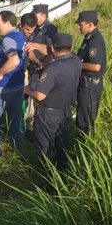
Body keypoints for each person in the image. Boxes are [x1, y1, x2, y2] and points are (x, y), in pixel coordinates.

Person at [24, 33, 82, 170]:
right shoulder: (76, 61)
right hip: (65, 112)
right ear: (71, 46)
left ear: (52, 47)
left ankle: (48, 181)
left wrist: (26, 90)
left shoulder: (53, 68)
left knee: (45, 149)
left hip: (48, 115)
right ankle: (62, 176)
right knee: (61, 146)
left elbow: (39, 95)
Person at [0, 11, 26, 154]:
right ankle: (18, 148)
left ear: (8, 23)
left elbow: (14, 60)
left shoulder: (7, 40)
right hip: (18, 85)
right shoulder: (20, 36)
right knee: (15, 120)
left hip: (2, 87)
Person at [23, 5, 58, 133]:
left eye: (36, 14)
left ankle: (37, 125)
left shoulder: (50, 29)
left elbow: (52, 50)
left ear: (43, 15)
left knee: (39, 94)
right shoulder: (36, 28)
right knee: (31, 93)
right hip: (34, 66)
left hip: (44, 67)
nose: (34, 17)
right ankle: (31, 125)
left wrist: (44, 64)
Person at [75, 10, 107, 135]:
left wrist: (76, 64)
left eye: (81, 24)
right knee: (81, 117)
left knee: (85, 120)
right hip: (85, 85)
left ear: (90, 24)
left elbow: (96, 66)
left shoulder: (95, 40)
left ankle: (84, 148)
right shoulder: (88, 38)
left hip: (90, 86)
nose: (79, 27)